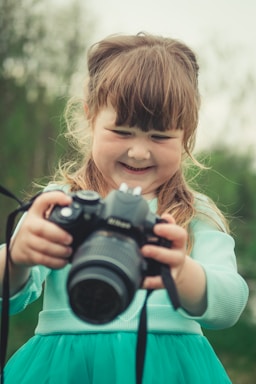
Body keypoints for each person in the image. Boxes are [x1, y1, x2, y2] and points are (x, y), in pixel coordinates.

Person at [0, 32, 249, 384]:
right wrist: (18, 256)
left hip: (170, 370)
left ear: (187, 134)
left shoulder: (191, 214)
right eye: (121, 131)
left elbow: (230, 304)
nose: (139, 152)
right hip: (64, 369)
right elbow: (10, 299)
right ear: (90, 118)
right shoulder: (60, 202)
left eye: (160, 137)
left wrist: (181, 274)